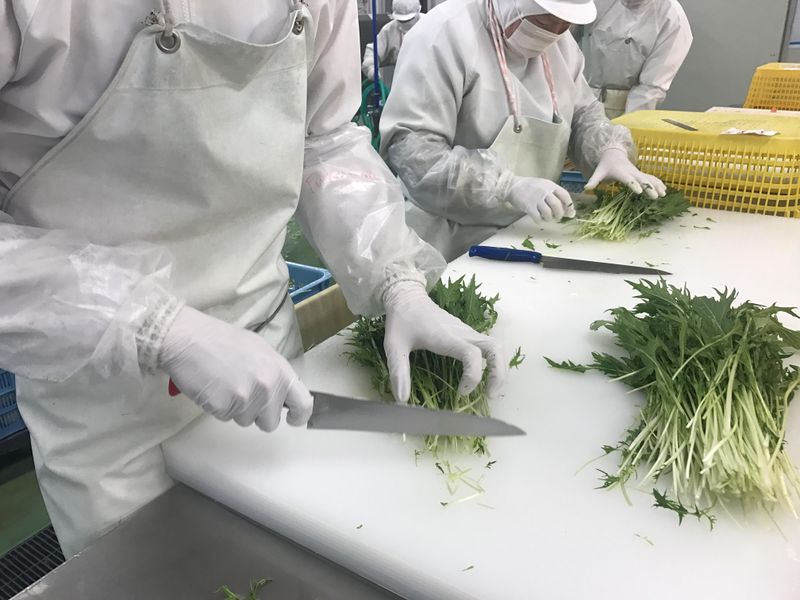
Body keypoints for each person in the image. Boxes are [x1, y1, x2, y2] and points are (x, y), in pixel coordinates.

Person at [0, 0, 506, 557]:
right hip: (105, 397)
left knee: (293, 562)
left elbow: (325, 141)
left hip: (269, 360)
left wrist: (396, 278)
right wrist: (152, 325)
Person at [379, 0, 667, 261]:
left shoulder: (561, 44)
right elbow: (414, 153)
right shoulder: (444, 35)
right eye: (544, 21)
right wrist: (505, 186)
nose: (555, 31)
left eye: (565, 23)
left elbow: (582, 113)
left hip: (528, 229)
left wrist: (609, 149)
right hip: (447, 241)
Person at [578, 0, 693, 118]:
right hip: (576, 98)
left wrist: (629, 125)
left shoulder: (672, 18)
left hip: (619, 112)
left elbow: (649, 90)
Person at [361, 0, 424, 84]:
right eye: (401, 20)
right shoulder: (389, 30)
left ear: (418, 10)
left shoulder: (431, 25)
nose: (405, 23)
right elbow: (373, 51)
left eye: (409, 19)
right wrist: (371, 68)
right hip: (403, 81)